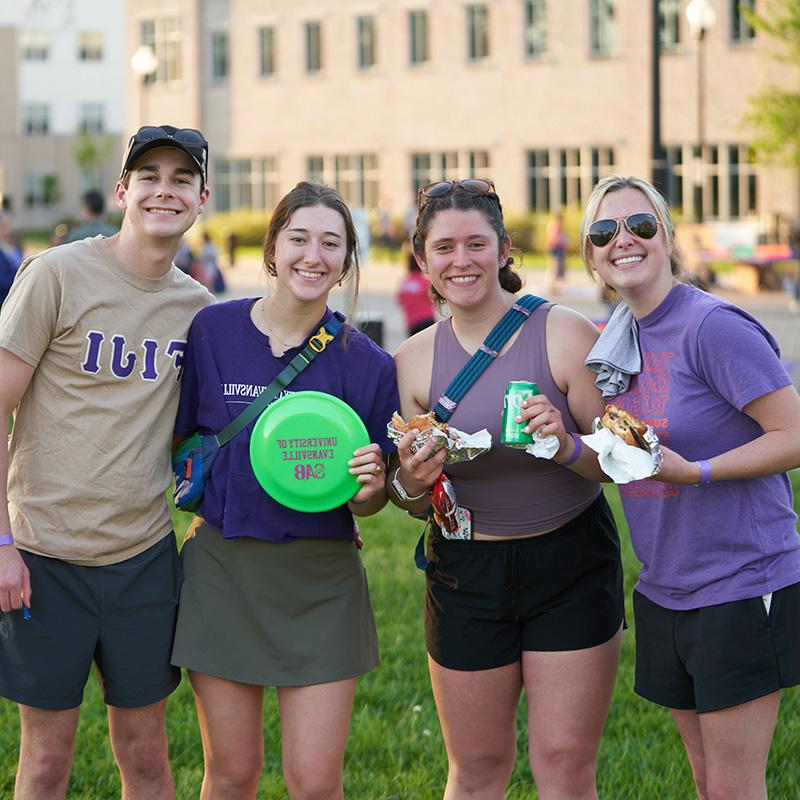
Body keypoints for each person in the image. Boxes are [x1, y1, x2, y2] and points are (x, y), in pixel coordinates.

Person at [389, 178, 624, 799]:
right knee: (477, 769)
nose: (460, 261)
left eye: (475, 244)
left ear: (504, 249)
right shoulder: (411, 361)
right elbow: (412, 502)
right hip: (467, 572)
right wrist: (413, 482)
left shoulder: (565, 333)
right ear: (423, 259)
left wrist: (565, 442)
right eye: (443, 248)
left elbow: (617, 462)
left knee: (566, 766)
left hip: (569, 560)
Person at [0, 124, 213, 800]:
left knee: (147, 757)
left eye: (182, 178)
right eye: (148, 175)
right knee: (45, 761)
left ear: (202, 198)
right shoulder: (56, 275)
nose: (164, 190)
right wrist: (1, 541)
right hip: (42, 555)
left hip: (142, 560)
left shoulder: (199, 312)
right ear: (123, 189)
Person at [170, 181, 398, 800]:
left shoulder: (369, 364)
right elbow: (181, 442)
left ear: (346, 260)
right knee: (231, 773)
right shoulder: (212, 331)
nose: (313, 256)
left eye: (331, 243)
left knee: (315, 782)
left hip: (321, 584)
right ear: (273, 248)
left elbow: (372, 500)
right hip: (223, 571)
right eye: (299, 238)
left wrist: (369, 489)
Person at [578, 174, 800, 800]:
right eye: (604, 231)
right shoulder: (620, 340)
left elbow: (794, 434)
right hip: (665, 587)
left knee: (733, 786)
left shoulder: (712, 326)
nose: (624, 240)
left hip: (739, 582)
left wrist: (695, 471)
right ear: (591, 254)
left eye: (640, 225)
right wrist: (562, 442)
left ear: (668, 238)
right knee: (706, 781)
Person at [395, 245, 435, 337]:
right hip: (427, 320)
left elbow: (400, 301)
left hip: (411, 322)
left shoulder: (404, 283)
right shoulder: (425, 282)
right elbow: (434, 298)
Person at [0, 212, 22, 308]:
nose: (9, 228)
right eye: (5, 225)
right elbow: (3, 281)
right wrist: (21, 273)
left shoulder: (11, 247)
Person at [544, 211, 568, 295]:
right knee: (555, 268)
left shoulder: (556, 225)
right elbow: (554, 237)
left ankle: (554, 286)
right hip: (555, 248)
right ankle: (552, 286)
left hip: (557, 248)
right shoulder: (555, 225)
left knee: (557, 268)